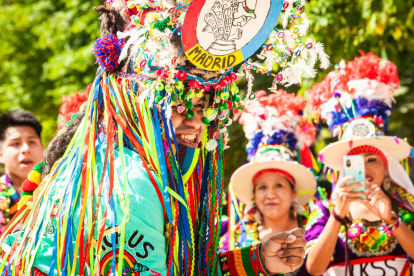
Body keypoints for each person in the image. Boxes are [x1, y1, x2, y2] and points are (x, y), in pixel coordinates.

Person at [0, 0, 328, 274]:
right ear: (137, 104)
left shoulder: (116, 161)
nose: (195, 122)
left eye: (204, 108)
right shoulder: (130, 184)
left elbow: (182, 266)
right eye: (179, 105)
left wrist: (256, 261)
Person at [304, 53, 414, 276]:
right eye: (356, 161)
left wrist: (392, 220)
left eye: (372, 159)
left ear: (386, 169)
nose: (365, 167)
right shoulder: (324, 211)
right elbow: (313, 269)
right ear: (346, 167)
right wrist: (338, 215)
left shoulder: (406, 206)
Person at [219, 90, 318, 275]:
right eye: (262, 187)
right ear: (254, 195)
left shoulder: (317, 228)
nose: (270, 194)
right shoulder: (231, 238)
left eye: (279, 185)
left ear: (294, 191)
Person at [0, 110, 43, 233]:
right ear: (1, 154)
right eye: (15, 143)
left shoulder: (58, 191)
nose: (26, 149)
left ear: (43, 148)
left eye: (32, 142)